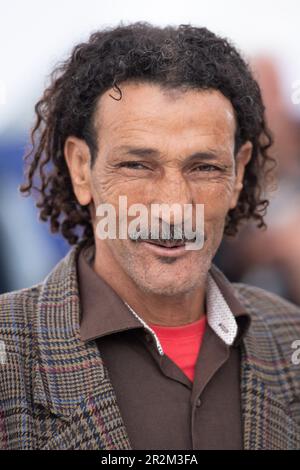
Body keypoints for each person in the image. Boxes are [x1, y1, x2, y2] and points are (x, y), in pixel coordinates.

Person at [0, 22, 300, 450]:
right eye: (138, 166)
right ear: (81, 168)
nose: (174, 207)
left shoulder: (290, 339)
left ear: (238, 172)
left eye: (204, 167)